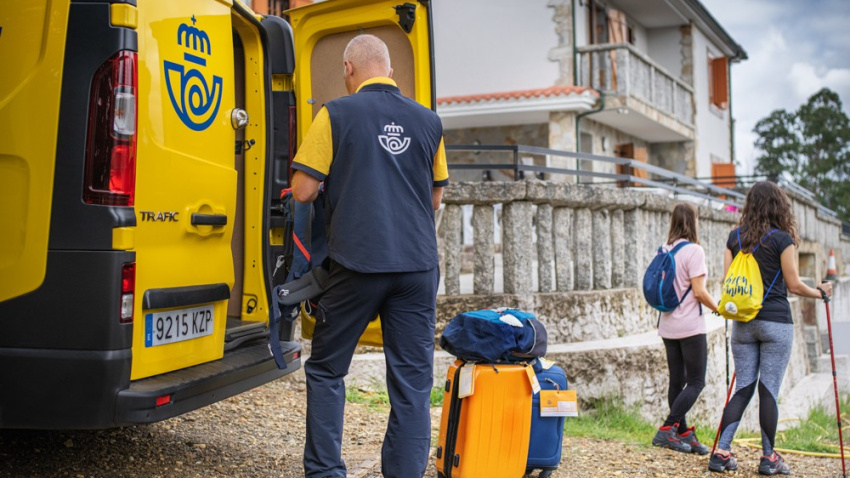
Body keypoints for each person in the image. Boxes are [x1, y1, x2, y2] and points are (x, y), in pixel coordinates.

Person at [290, 34, 448, 478]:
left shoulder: (335, 114)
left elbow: (303, 190)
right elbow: (434, 199)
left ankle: (325, 473)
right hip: (418, 265)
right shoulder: (429, 121)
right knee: (413, 385)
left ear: (348, 69)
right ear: (391, 72)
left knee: (326, 370)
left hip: (358, 263)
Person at [708, 181, 832, 475]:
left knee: (743, 388)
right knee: (768, 391)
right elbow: (793, 284)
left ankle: (721, 451)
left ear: (749, 206)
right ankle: (768, 458)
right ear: (779, 206)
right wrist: (820, 292)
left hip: (742, 322)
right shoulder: (782, 240)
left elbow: (730, 281)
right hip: (775, 321)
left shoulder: (733, 238)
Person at [651, 203, 719, 455]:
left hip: (667, 325)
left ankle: (683, 433)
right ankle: (667, 429)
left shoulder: (663, 249)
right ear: (693, 221)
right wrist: (718, 308)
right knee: (696, 381)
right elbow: (699, 291)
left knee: (677, 382)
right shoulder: (694, 251)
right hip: (690, 326)